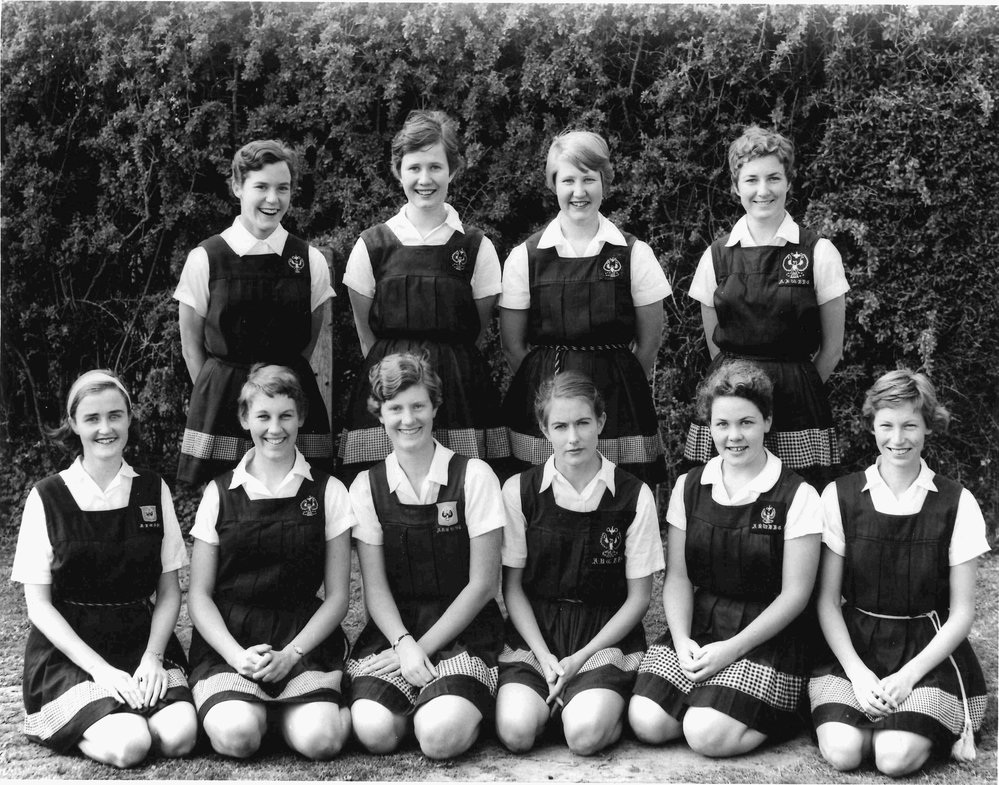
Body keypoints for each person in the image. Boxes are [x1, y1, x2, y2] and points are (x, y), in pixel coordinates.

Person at [630, 360, 821, 756]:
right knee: (646, 721)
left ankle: (781, 711)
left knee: (705, 735)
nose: (734, 436)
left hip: (769, 635)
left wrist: (732, 649)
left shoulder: (797, 494)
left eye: (746, 423)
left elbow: (795, 596)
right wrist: (681, 640)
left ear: (767, 421)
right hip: (702, 626)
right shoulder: (689, 486)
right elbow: (679, 579)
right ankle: (716, 700)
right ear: (709, 427)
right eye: (722, 424)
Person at [12, 370, 197, 767]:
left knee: (180, 735)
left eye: (115, 415)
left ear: (129, 418)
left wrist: (152, 657)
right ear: (74, 424)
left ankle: (121, 710)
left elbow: (169, 591)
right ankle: (75, 721)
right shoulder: (46, 497)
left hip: (139, 642)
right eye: (92, 419)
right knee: (130, 744)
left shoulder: (153, 489)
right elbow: (39, 606)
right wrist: (101, 672)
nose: (105, 428)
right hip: (70, 655)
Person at [809, 369, 988, 777]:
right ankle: (866, 718)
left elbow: (962, 613)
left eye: (910, 425)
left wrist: (908, 677)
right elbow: (827, 602)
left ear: (928, 426)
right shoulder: (839, 495)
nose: (898, 438)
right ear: (872, 425)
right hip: (856, 648)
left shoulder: (958, 503)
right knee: (843, 752)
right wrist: (856, 674)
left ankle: (901, 726)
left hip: (926, 652)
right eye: (886, 425)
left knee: (894, 758)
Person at [186, 364, 353, 760]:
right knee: (236, 737)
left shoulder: (329, 491)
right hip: (232, 640)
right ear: (245, 419)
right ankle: (257, 713)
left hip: (300, 638)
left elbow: (338, 598)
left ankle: (301, 713)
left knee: (321, 742)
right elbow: (199, 595)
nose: (274, 428)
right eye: (263, 416)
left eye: (285, 416)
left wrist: (292, 654)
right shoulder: (219, 492)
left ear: (301, 418)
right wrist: (234, 655)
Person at [346, 353, 504, 759]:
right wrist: (403, 645)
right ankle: (419, 704)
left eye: (418, 406)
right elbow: (374, 590)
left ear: (435, 407)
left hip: (463, 631)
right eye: (395, 408)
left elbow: (484, 584)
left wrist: (423, 647)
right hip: (396, 632)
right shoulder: (366, 486)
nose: (407, 419)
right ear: (379, 414)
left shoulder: (475, 476)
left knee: (439, 737)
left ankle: (449, 706)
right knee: (373, 731)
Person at [495, 371, 663, 756]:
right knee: (515, 732)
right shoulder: (519, 491)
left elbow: (639, 600)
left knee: (584, 736)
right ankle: (555, 701)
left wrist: (581, 658)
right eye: (561, 426)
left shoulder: (634, 495)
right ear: (544, 429)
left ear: (601, 422)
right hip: (536, 632)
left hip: (603, 633)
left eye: (584, 423)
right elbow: (513, 589)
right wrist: (545, 656)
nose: (573, 437)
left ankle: (595, 706)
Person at [338, 110, 506, 480]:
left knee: (463, 486)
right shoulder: (373, 244)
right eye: (414, 168)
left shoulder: (477, 246)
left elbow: (477, 326)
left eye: (435, 167)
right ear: (398, 171)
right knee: (384, 487)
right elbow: (366, 332)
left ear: (453, 170)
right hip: (389, 382)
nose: (425, 179)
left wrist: (448, 357)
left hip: (460, 387)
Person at [683, 125, 849, 490]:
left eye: (774, 178)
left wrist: (796, 385)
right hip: (730, 400)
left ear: (789, 182)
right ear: (735, 186)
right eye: (751, 179)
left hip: (797, 404)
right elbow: (716, 343)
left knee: (797, 502)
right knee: (727, 502)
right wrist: (737, 389)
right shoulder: (716, 256)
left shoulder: (818, 252)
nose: (763, 190)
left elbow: (832, 349)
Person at [500, 130, 669, 487]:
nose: (579, 192)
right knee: (541, 497)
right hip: (546, 396)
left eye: (589, 179)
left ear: (605, 182)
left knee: (620, 494)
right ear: (553, 184)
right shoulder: (524, 258)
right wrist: (549, 393)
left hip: (618, 397)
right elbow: (513, 346)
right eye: (568, 180)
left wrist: (617, 378)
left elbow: (649, 342)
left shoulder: (634, 253)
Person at [175, 139, 335, 486]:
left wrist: (280, 383)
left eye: (283, 188)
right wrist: (221, 396)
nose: (272, 199)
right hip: (224, 405)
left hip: (290, 400)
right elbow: (192, 348)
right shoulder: (206, 258)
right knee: (225, 508)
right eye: (260, 187)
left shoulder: (310, 261)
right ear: (237, 186)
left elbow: (307, 341)